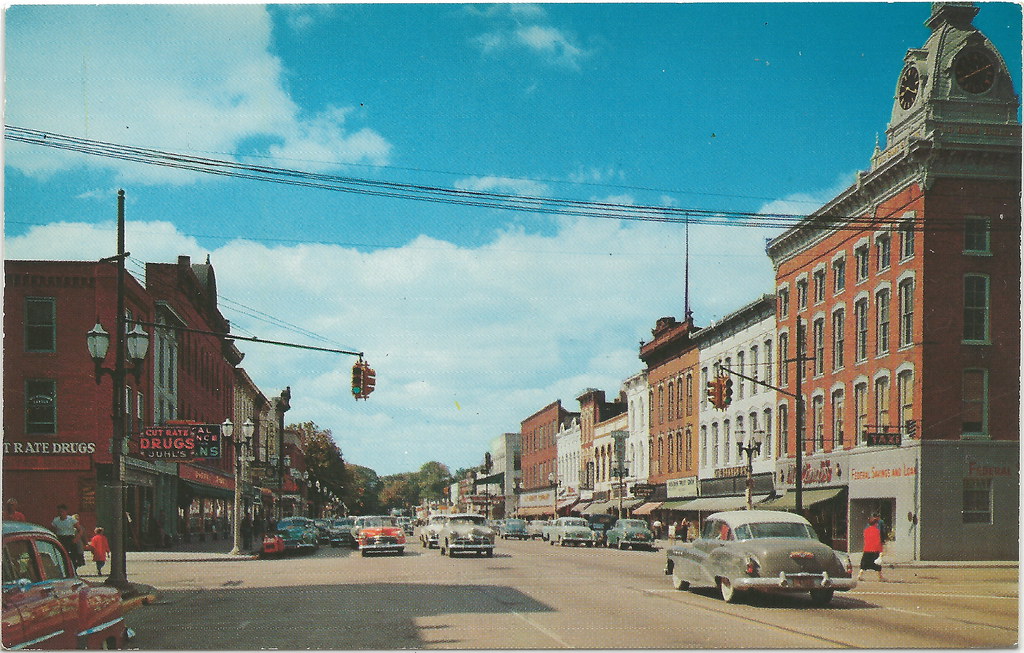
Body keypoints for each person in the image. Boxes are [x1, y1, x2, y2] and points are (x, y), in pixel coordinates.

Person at [858, 516, 885, 582]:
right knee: (877, 565)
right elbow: (878, 541)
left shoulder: (866, 530)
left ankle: (859, 575)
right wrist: (881, 551)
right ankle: (880, 577)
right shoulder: (877, 531)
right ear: (875, 524)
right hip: (875, 549)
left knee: (864, 564)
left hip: (867, 549)